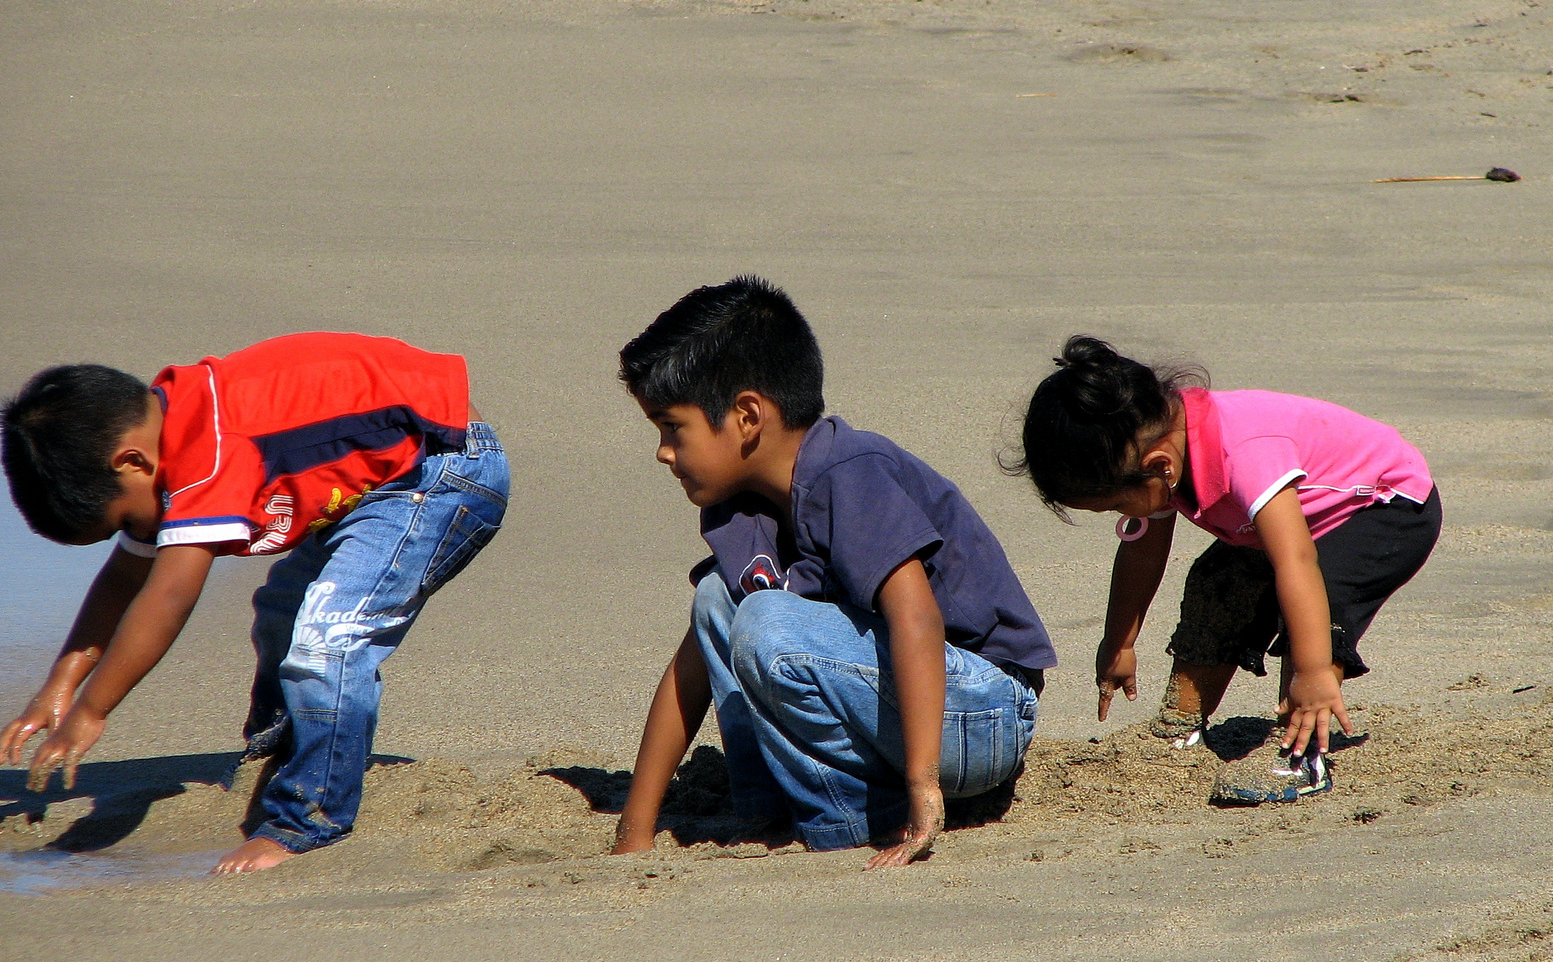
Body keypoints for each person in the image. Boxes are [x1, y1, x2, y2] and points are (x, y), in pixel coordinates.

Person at [0, 332, 508, 872]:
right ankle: (279, 751)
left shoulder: (210, 451)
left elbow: (167, 593)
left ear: (132, 461)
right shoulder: (176, 421)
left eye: (124, 521)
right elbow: (124, 578)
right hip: (382, 473)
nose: (138, 535)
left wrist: (93, 708)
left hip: (443, 472)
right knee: (282, 613)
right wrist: (60, 685)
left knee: (325, 641)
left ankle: (310, 817)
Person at [611, 276, 1056, 867]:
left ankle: (854, 817)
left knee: (764, 620)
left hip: (982, 709)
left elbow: (917, 618)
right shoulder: (736, 506)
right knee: (720, 599)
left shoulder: (849, 470)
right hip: (905, 710)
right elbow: (692, 663)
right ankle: (771, 803)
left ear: (747, 415)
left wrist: (925, 788)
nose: (663, 451)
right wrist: (634, 832)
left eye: (672, 427)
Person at [1014, 336, 1440, 802]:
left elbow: (1296, 561)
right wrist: (1119, 641)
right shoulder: (1160, 449)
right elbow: (1143, 551)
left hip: (1386, 506)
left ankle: (1299, 754)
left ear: (1159, 466)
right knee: (1217, 581)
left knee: (1317, 605)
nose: (1118, 513)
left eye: (1116, 502)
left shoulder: (1245, 453)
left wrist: (1314, 669)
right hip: (1298, 521)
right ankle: (1181, 726)